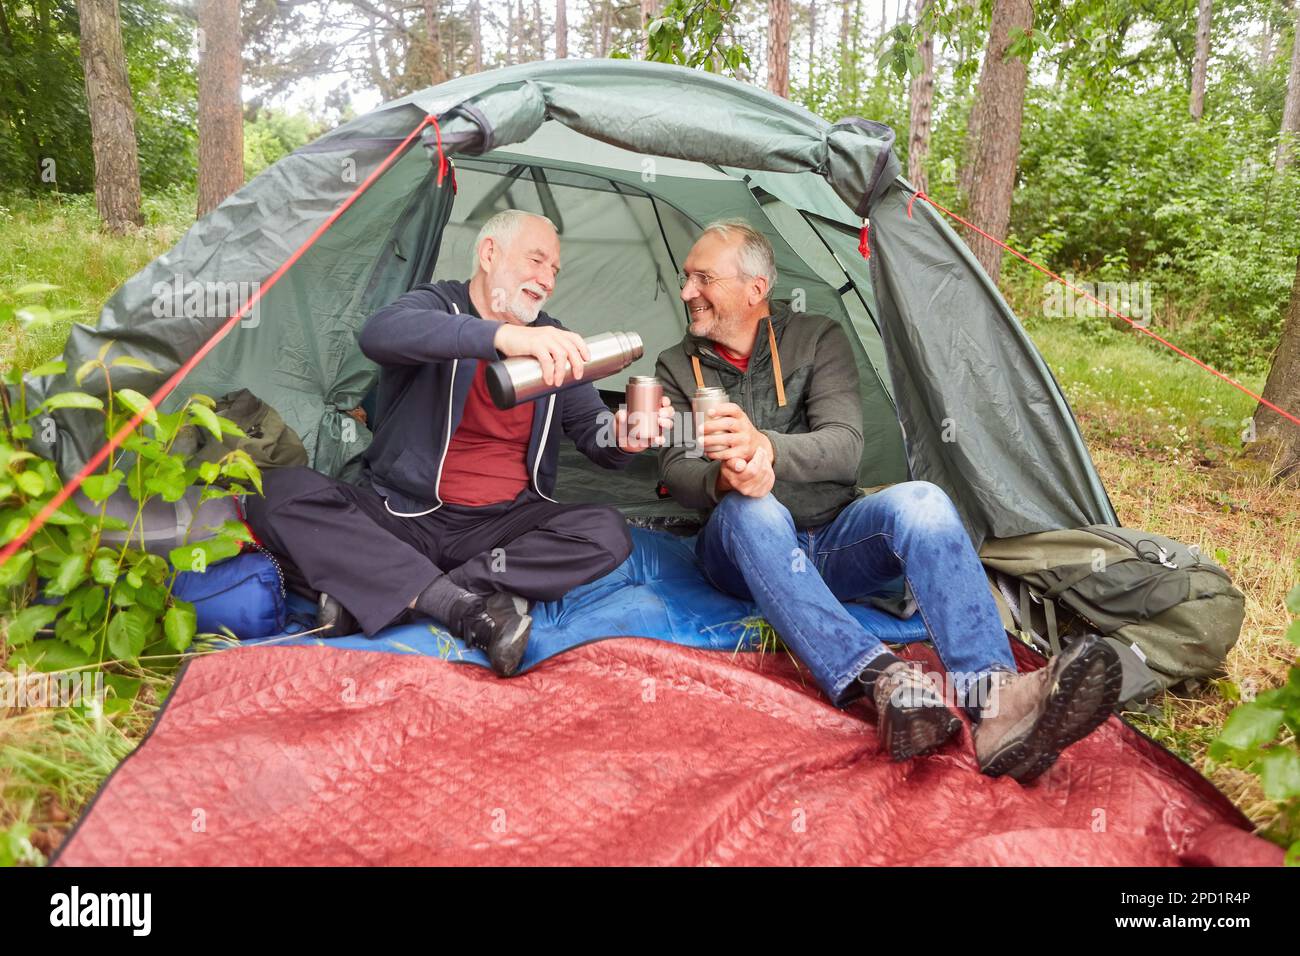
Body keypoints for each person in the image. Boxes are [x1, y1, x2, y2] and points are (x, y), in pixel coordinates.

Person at [653, 219, 1122, 782]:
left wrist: (765, 448)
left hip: (831, 537)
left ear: (755, 290)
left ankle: (994, 699)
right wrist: (727, 480)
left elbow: (846, 448)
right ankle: (884, 682)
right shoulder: (676, 365)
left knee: (922, 501)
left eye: (703, 278)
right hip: (740, 550)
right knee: (753, 510)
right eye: (686, 278)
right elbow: (676, 472)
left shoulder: (816, 338)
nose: (687, 293)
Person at [245, 209, 672, 677]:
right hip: (402, 517)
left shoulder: (556, 339)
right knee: (273, 490)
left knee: (607, 531)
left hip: (499, 532)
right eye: (536, 260)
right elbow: (380, 334)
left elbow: (595, 436)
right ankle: (469, 607)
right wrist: (501, 337)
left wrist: (626, 436)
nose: (546, 278)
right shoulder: (437, 306)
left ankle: (409, 592)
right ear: (490, 253)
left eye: (553, 269)